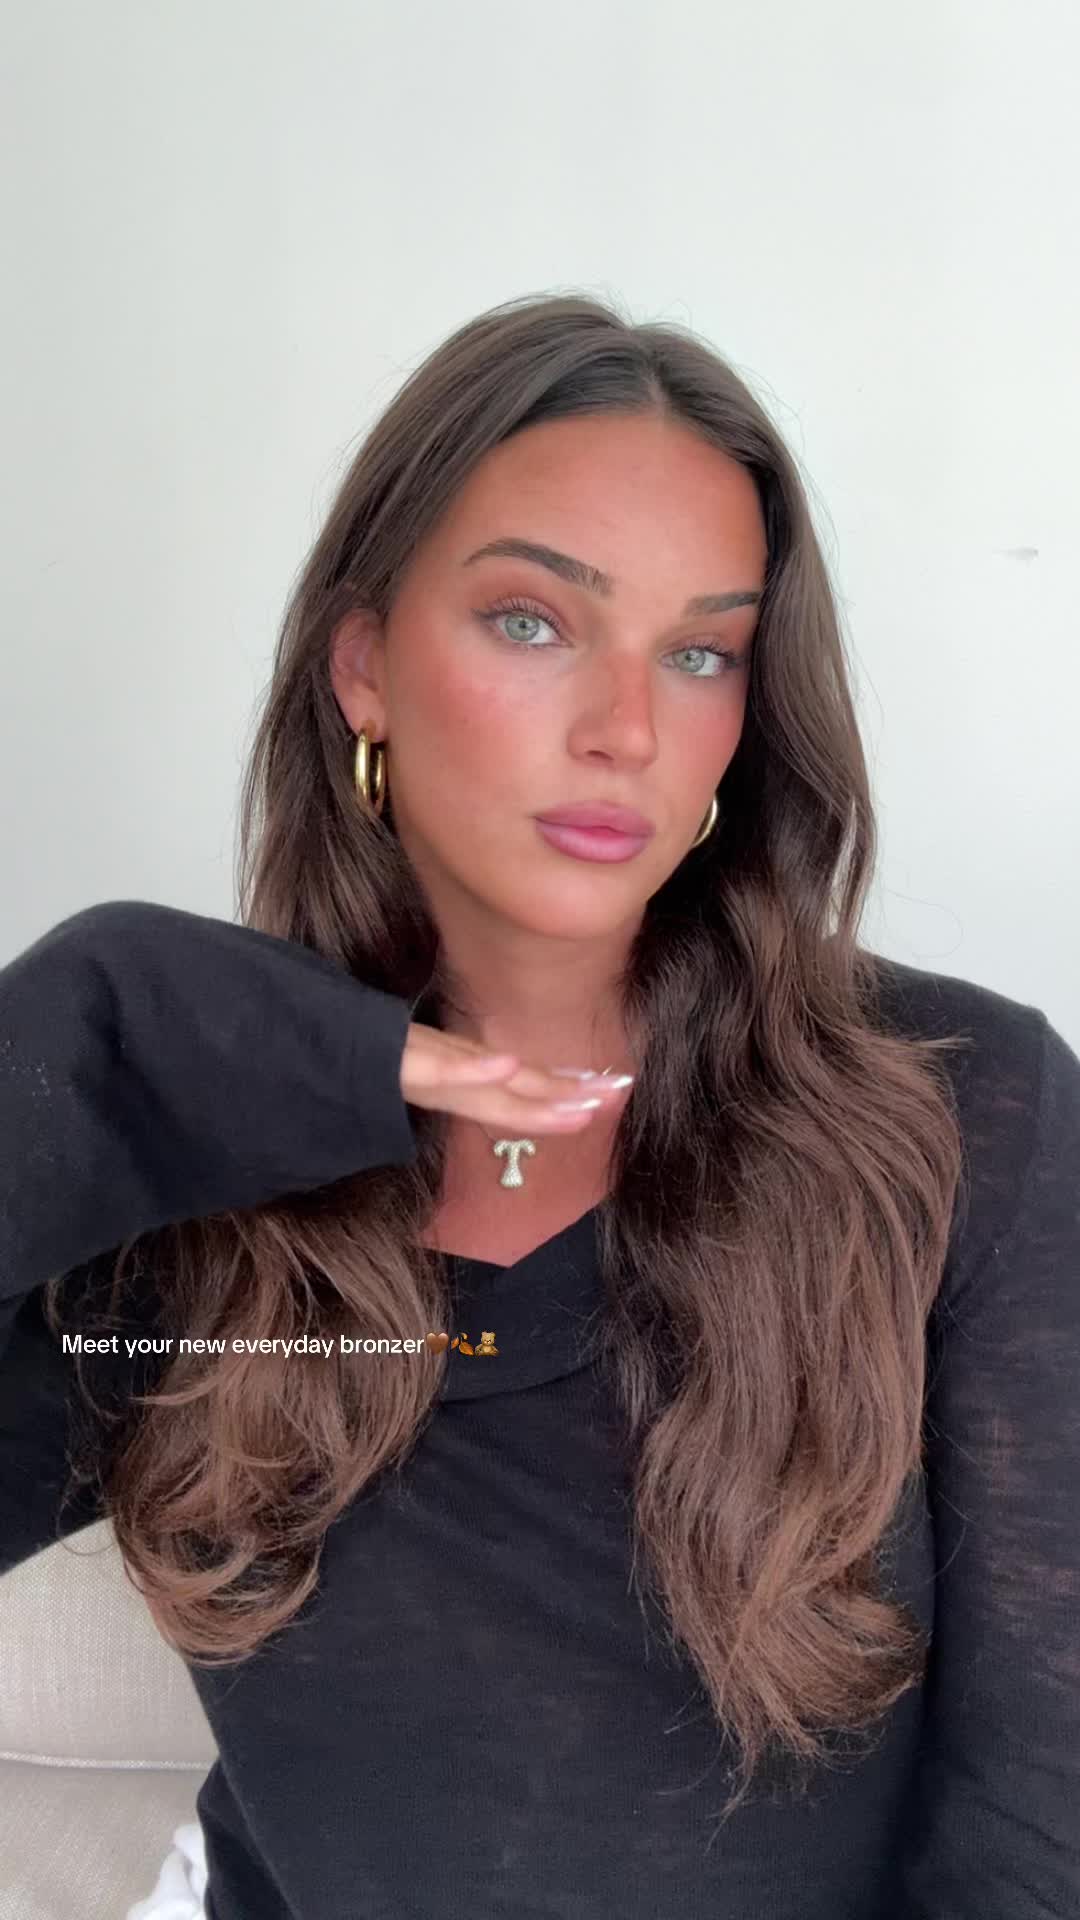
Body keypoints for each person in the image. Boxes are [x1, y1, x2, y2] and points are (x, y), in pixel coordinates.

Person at [2, 291, 1078, 1920]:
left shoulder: (962, 1117)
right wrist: (100, 1020)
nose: (626, 731)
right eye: (531, 621)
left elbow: (1038, 1834)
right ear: (364, 664)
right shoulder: (183, 1160)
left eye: (700, 652)